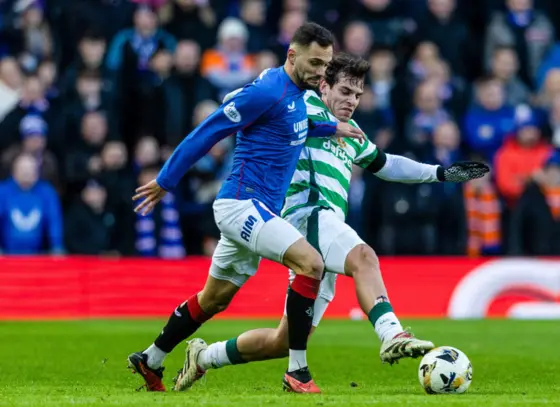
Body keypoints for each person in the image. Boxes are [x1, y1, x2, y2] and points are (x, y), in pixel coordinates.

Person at [172, 53, 489, 392]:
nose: (351, 100)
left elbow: (386, 164)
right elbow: (242, 102)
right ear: (323, 85)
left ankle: (204, 357)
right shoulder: (300, 105)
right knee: (365, 257)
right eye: (345, 91)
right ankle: (392, 334)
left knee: (284, 341)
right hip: (306, 215)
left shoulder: (351, 131)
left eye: (357, 94)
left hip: (324, 230)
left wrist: (438, 173)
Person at [127, 22, 365, 394]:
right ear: (292, 55)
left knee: (214, 299)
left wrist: (331, 128)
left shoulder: (295, 95)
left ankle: (151, 358)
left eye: (326, 65)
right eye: (315, 63)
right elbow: (208, 130)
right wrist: (165, 180)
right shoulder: (267, 91)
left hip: (259, 212)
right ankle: (297, 372)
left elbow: (296, 126)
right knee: (312, 264)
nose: (322, 73)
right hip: (241, 205)